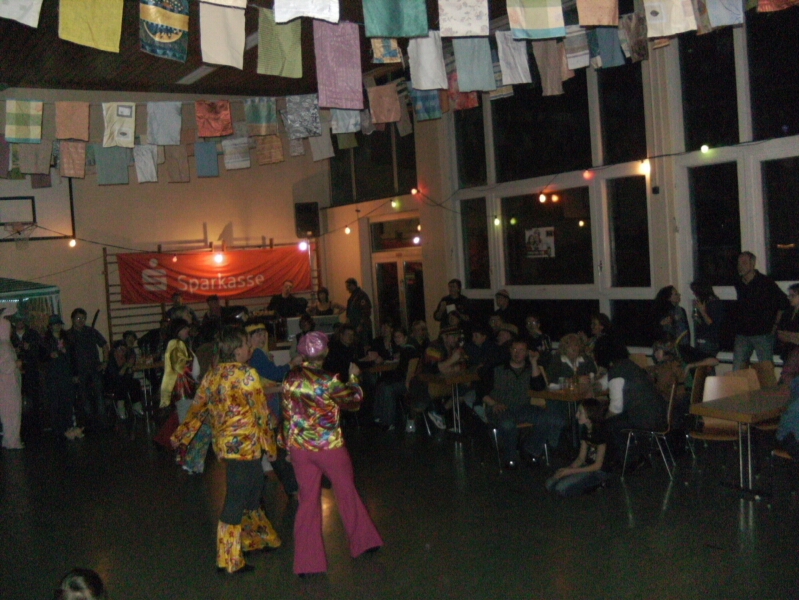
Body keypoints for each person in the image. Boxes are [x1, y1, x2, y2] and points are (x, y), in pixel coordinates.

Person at [172, 326, 281, 574]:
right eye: (246, 344)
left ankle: (255, 538)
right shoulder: (247, 374)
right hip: (245, 446)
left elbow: (197, 409)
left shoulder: (212, 375)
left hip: (229, 447)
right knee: (236, 499)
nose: (250, 348)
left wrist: (181, 436)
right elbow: (261, 413)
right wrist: (270, 445)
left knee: (253, 489)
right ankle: (229, 559)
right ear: (237, 350)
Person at [282, 331, 383, 576]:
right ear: (325, 352)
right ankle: (363, 542)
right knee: (346, 492)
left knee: (307, 501)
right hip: (330, 447)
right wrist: (354, 377)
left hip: (301, 448)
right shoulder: (329, 380)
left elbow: (287, 416)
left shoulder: (290, 380)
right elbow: (354, 402)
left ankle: (307, 563)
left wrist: (287, 445)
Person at [482, 339, 558, 469]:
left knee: (547, 417)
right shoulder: (497, 368)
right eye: (514, 349)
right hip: (500, 408)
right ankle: (510, 457)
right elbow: (481, 391)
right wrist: (494, 404)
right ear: (510, 351)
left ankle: (530, 450)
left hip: (522, 407)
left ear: (527, 352)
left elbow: (539, 387)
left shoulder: (529, 369)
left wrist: (534, 362)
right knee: (508, 424)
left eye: (521, 350)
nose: (517, 353)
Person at [595, 335, 667, 470]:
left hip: (646, 420)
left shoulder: (617, 372)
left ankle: (625, 459)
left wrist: (602, 421)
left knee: (606, 423)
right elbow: (605, 381)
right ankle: (632, 456)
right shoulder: (628, 365)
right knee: (610, 419)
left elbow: (615, 409)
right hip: (658, 414)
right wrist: (594, 385)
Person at [248, 322, 302, 494]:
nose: (262, 338)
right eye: (257, 334)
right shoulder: (256, 354)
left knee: (269, 444)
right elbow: (274, 374)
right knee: (274, 444)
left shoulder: (256, 354)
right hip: (266, 405)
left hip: (264, 403)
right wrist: (291, 364)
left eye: (263, 334)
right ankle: (292, 486)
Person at [732, 251, 789, 371]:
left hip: (762, 334)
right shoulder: (738, 282)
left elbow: (783, 303)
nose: (740, 266)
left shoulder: (766, 283)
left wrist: (775, 325)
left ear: (752, 263)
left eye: (744, 263)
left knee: (766, 369)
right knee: (737, 369)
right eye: (739, 263)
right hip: (742, 333)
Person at [545, 399, 611, 497]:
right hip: (587, 466)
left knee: (561, 489)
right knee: (550, 484)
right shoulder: (585, 429)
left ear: (590, 415)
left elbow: (597, 465)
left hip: (599, 471)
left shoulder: (601, 433)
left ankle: (598, 484)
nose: (576, 415)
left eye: (580, 412)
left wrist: (570, 471)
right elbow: (581, 458)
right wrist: (567, 469)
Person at [154, 318, 199, 449]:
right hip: (183, 387)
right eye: (184, 328)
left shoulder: (180, 344)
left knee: (184, 417)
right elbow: (181, 368)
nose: (187, 330)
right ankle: (184, 450)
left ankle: (177, 446)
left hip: (186, 387)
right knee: (185, 419)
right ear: (177, 331)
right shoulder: (177, 346)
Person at [413, 325, 466, 430]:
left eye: (457, 336)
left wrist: (449, 366)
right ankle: (440, 413)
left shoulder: (455, 347)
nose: (456, 339)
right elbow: (434, 369)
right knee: (460, 389)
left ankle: (441, 412)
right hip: (423, 386)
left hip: (444, 383)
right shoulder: (433, 348)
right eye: (453, 336)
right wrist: (452, 360)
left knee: (466, 388)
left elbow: (463, 366)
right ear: (444, 337)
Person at [65, 308, 110, 431]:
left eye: (83, 318)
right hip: (79, 372)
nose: (81, 321)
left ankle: (103, 424)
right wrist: (72, 374)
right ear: (73, 319)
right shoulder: (68, 335)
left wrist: (105, 362)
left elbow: (105, 346)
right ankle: (89, 425)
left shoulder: (91, 331)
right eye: (78, 318)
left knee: (99, 396)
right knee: (83, 398)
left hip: (94, 369)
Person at [42, 315, 80, 442]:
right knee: (55, 403)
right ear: (50, 326)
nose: (57, 326)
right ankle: (57, 430)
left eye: (59, 324)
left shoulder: (67, 339)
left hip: (66, 374)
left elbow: (74, 357)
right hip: (53, 376)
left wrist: (75, 374)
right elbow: (41, 358)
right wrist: (49, 356)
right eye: (55, 324)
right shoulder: (45, 341)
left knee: (67, 402)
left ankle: (68, 428)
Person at [373, 326, 420, 429]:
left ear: (405, 337)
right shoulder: (403, 350)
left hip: (410, 382)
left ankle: (388, 422)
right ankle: (379, 416)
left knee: (387, 388)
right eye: (395, 337)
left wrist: (407, 382)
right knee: (381, 384)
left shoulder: (410, 350)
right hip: (402, 379)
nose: (396, 339)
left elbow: (411, 368)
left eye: (399, 337)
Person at [10, 313, 42, 433]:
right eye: (17, 320)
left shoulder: (33, 334)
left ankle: (35, 428)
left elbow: (42, 352)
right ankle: (20, 429)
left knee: (33, 399)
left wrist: (30, 348)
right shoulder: (9, 335)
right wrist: (13, 351)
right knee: (16, 400)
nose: (19, 322)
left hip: (31, 372)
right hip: (14, 373)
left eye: (21, 320)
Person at [104, 330, 145, 420]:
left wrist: (129, 368)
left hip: (123, 380)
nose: (122, 352)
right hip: (111, 383)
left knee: (135, 383)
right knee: (121, 383)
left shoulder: (129, 354)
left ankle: (137, 406)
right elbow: (116, 375)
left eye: (124, 350)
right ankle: (120, 408)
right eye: (121, 350)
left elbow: (128, 372)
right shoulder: (112, 358)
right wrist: (126, 366)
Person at [0, 305, 23, 450]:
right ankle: (11, 440)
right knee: (11, 412)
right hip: (7, 385)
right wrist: (16, 363)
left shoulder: (5, 345)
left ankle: (11, 439)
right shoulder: (4, 346)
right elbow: (5, 366)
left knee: (10, 412)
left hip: (9, 384)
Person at [690, 280, 724, 357]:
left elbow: (711, 324)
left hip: (709, 340)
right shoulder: (704, 302)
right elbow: (700, 321)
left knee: (706, 361)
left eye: (695, 291)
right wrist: (695, 310)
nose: (694, 294)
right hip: (702, 338)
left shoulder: (714, 303)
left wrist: (702, 312)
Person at [777, 284, 799, 385]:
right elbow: (780, 333)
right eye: (789, 295)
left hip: (796, 354)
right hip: (787, 352)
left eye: (792, 295)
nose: (789, 298)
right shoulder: (787, 312)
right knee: (787, 380)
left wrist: (789, 336)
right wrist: (791, 336)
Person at [345, 278, 373, 345]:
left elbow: (366, 312)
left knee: (364, 345)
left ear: (353, 285)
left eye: (348, 286)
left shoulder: (361, 296)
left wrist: (361, 325)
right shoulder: (353, 297)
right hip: (354, 326)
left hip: (362, 327)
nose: (347, 288)